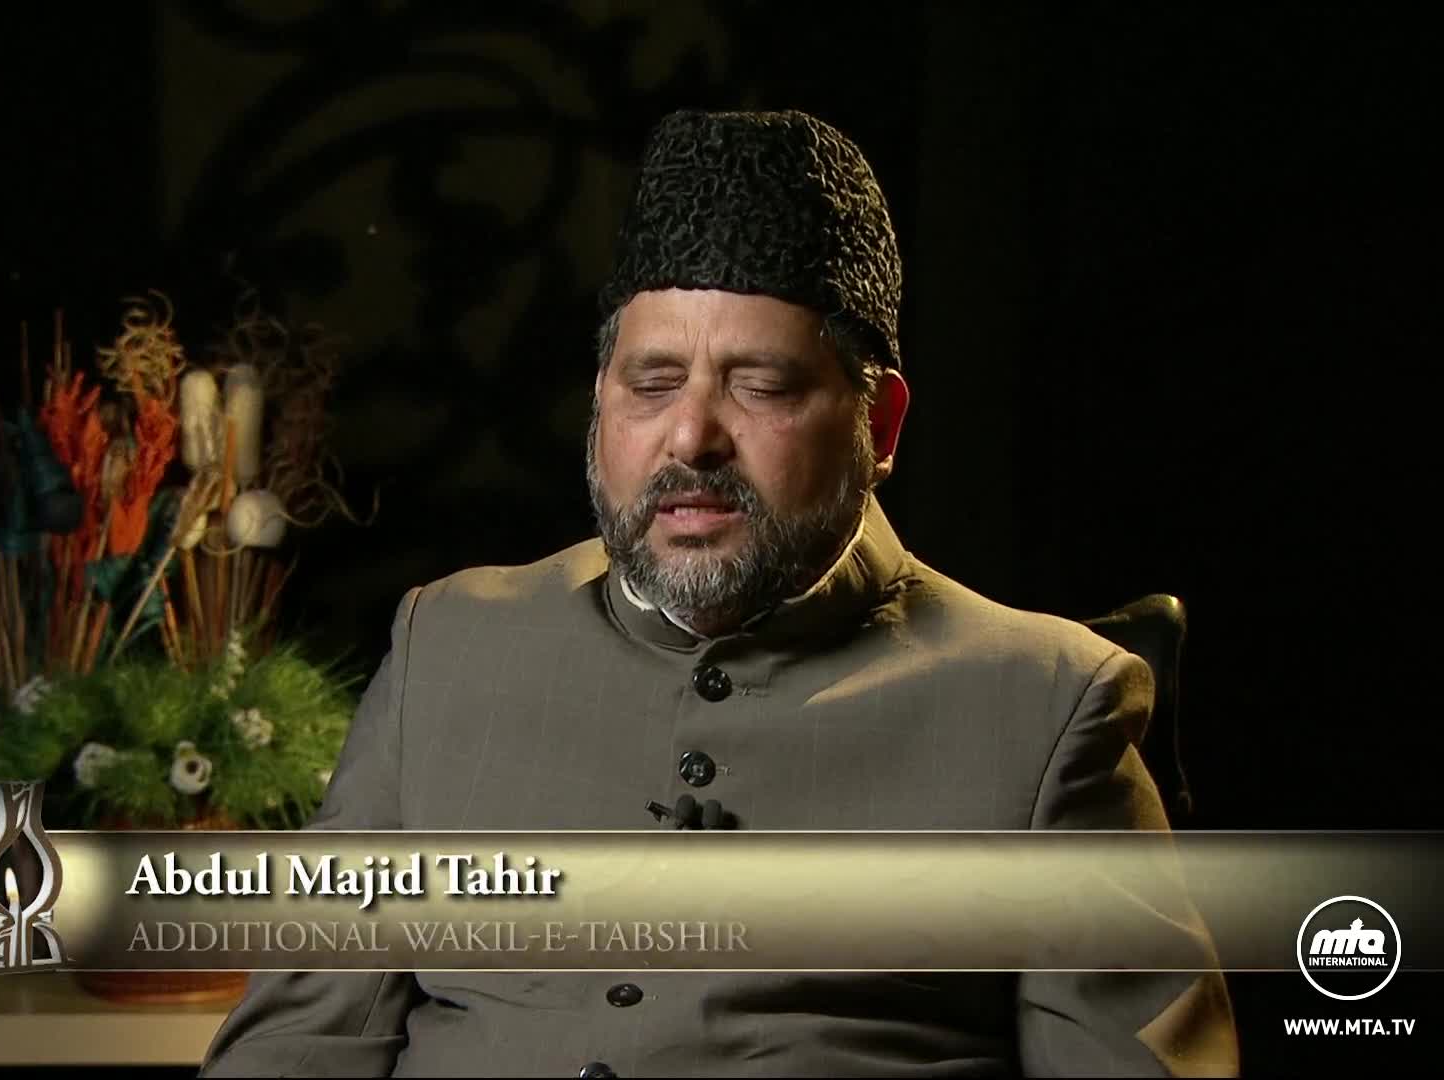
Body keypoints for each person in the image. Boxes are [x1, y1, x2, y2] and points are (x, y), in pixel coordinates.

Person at [199, 108, 1238, 1077]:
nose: (689, 438)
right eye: (651, 386)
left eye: (764, 386)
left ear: (879, 430)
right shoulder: (448, 646)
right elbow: (296, 1049)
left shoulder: (1050, 708)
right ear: (600, 408)